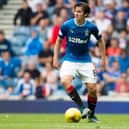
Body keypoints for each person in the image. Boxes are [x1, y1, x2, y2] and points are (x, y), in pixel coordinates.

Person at [53, 2, 106, 123]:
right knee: (65, 81)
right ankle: (82, 108)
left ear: (86, 14)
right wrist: (55, 57)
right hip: (69, 59)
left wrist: (104, 58)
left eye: (79, 12)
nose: (76, 13)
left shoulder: (91, 27)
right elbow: (58, 41)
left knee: (92, 89)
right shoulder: (67, 25)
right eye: (75, 11)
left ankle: (91, 115)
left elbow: (101, 41)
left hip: (85, 60)